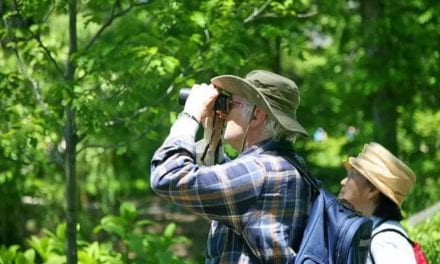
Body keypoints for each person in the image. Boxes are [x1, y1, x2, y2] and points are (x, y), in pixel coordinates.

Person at [150, 70, 313, 263]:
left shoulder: (262, 171)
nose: (224, 113)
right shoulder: (284, 165)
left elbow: (167, 175)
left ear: (256, 116)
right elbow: (231, 193)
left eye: (231, 104)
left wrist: (190, 115)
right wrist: (213, 141)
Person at [338, 142, 417, 264]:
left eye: (351, 175)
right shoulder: (372, 234)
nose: (343, 182)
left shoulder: (386, 241)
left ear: (372, 190)